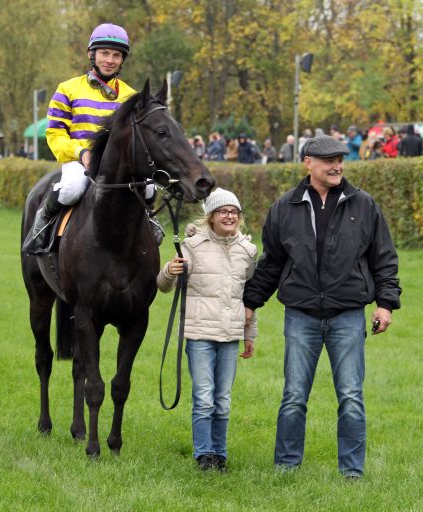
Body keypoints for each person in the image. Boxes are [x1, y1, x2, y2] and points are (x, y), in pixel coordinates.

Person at [243, 135, 401, 478]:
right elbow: (272, 263)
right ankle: (286, 468)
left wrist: (386, 304)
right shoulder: (285, 207)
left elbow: (383, 258)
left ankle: (352, 472)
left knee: (351, 397)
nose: (337, 166)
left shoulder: (364, 205)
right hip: (301, 316)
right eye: (329, 160)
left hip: (348, 315)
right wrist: (251, 302)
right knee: (294, 396)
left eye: (340, 160)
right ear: (308, 163)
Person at [22, 23, 159, 253]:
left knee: (149, 188)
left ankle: (151, 219)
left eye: (116, 55)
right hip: (79, 161)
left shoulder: (131, 96)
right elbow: (55, 133)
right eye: (104, 53)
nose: (110, 60)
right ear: (91, 54)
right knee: (72, 189)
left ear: (122, 60)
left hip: (118, 165)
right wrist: (81, 153)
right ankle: (42, 222)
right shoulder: (67, 89)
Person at [157, 188, 258, 472]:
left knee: (222, 400)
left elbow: (248, 297)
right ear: (211, 216)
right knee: (204, 397)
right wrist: (169, 271)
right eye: (223, 211)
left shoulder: (248, 251)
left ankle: (219, 454)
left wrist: (249, 335)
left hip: (230, 335)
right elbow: (163, 286)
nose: (229, 216)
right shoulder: (192, 246)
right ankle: (204, 454)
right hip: (200, 334)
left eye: (234, 212)